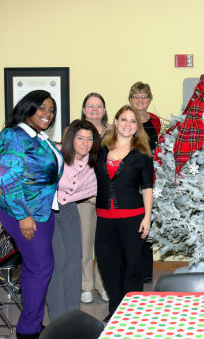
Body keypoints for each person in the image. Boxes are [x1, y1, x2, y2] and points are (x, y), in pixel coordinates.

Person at [0, 90, 64, 339]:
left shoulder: (38, 137)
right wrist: (23, 216)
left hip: (42, 212)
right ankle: (28, 331)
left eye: (51, 110)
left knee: (34, 267)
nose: (48, 114)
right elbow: (10, 181)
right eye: (42, 108)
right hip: (24, 213)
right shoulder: (15, 135)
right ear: (28, 108)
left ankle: (32, 322)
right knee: (41, 267)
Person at [94, 105, 153, 321]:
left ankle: (132, 314)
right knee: (108, 266)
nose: (127, 124)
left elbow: (147, 187)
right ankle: (116, 311)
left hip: (132, 218)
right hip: (104, 220)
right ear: (116, 122)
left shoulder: (143, 155)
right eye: (124, 119)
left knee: (132, 268)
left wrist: (147, 217)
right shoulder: (100, 150)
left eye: (132, 121)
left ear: (137, 127)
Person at [46, 120, 100, 320]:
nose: (85, 143)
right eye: (80, 138)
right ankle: (58, 317)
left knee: (74, 262)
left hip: (68, 211)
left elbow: (93, 191)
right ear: (71, 139)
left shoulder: (91, 163)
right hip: (48, 211)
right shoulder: (55, 154)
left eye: (89, 139)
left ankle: (72, 313)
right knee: (58, 263)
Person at [128, 81, 161, 283]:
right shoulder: (127, 119)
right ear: (130, 100)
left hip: (152, 178)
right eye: (136, 97)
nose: (140, 100)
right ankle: (133, 269)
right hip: (131, 179)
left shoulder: (156, 121)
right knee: (133, 224)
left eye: (144, 97)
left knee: (148, 223)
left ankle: (146, 271)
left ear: (149, 100)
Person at [79, 93, 109, 304]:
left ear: (104, 110)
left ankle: (102, 284)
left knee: (104, 244)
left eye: (98, 106)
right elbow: (71, 164)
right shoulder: (75, 131)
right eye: (90, 106)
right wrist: (86, 193)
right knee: (85, 242)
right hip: (82, 197)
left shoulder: (113, 132)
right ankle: (86, 285)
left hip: (107, 195)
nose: (95, 109)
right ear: (83, 110)